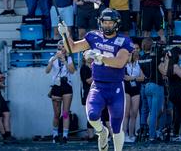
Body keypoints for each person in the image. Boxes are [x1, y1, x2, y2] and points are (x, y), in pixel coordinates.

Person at [57, 8, 134, 151]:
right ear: (100, 22)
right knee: (92, 115)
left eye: (110, 23)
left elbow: (119, 62)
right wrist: (65, 35)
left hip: (115, 86)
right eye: (105, 22)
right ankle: (101, 132)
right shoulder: (93, 37)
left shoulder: (124, 41)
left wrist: (100, 57)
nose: (107, 25)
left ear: (116, 24)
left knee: (116, 124)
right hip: (98, 85)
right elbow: (71, 48)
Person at [45, 40, 76, 144]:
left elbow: (72, 71)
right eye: (59, 47)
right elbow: (47, 71)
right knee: (56, 113)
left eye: (63, 47)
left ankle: (65, 136)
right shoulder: (53, 58)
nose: (61, 49)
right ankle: (55, 135)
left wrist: (64, 60)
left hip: (66, 85)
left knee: (66, 112)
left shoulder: (69, 58)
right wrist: (53, 59)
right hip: (56, 86)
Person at [160, 47, 181, 140]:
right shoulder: (175, 66)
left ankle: (175, 132)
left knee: (177, 113)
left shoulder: (168, 66)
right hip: (178, 91)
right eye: (180, 54)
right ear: (177, 55)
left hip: (173, 92)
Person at [123, 43, 144, 143]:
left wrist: (133, 78)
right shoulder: (124, 64)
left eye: (137, 56)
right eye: (134, 56)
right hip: (126, 89)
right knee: (126, 113)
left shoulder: (138, 64)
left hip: (135, 89)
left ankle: (131, 134)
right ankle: (124, 134)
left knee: (134, 113)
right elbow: (124, 77)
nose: (136, 57)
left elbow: (142, 77)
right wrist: (132, 78)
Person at [80, 55, 95, 141]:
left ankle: (92, 134)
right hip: (87, 93)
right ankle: (90, 135)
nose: (91, 57)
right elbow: (88, 81)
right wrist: (97, 75)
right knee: (90, 114)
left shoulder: (94, 66)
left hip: (96, 92)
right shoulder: (84, 68)